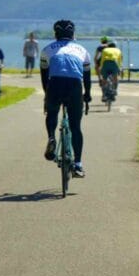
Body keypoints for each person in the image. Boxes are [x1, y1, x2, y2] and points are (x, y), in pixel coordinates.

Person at [40, 20, 92, 178]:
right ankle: (78, 165)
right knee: (76, 127)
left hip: (55, 84)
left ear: (55, 34)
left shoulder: (47, 50)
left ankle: (51, 137)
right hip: (74, 85)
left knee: (52, 113)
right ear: (73, 34)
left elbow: (44, 77)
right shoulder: (83, 50)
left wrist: (47, 96)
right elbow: (87, 78)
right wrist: (87, 95)